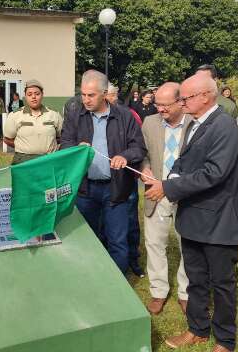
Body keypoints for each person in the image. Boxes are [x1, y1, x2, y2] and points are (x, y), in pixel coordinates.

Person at [144, 74, 238, 352]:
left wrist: (169, 186)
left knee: (222, 284)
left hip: (218, 219)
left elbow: (215, 172)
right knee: (196, 279)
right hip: (193, 216)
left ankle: (225, 340)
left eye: (186, 97)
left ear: (205, 96)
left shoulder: (223, 125)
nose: (183, 102)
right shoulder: (196, 124)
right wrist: (172, 175)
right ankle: (197, 329)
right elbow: (184, 160)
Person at [60, 70, 146, 273]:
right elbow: (65, 143)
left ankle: (119, 288)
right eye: (83, 94)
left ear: (105, 93)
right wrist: (75, 149)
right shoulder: (75, 115)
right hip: (85, 189)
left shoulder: (124, 116)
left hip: (115, 190)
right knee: (88, 238)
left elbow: (139, 148)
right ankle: (90, 279)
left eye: (91, 95)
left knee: (117, 241)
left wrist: (125, 156)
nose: (86, 100)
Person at [140, 82, 191, 316]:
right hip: (155, 193)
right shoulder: (150, 123)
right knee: (154, 243)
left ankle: (186, 293)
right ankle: (159, 292)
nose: (159, 109)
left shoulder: (195, 124)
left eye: (164, 105)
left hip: (187, 195)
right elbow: (143, 153)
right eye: (157, 104)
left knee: (188, 245)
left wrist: (169, 186)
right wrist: (146, 168)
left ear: (181, 102)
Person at [107, 84, 144, 277]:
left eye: (109, 96)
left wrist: (127, 158)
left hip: (125, 180)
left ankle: (133, 259)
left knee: (130, 221)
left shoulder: (130, 115)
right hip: (107, 181)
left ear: (113, 96)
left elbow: (138, 146)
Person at [3, 79, 63, 164]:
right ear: (25, 96)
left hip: (49, 160)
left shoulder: (54, 115)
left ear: (42, 95)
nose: (33, 97)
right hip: (23, 162)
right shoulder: (15, 115)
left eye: (37, 94)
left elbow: (61, 137)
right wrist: (24, 148)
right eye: (29, 94)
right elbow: (7, 139)